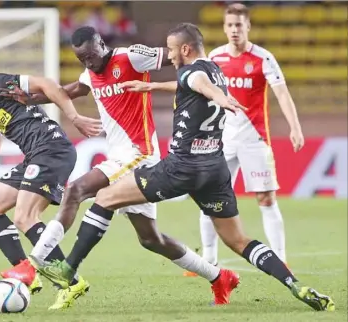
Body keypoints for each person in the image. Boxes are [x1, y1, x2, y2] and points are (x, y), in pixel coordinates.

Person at [34, 23, 335, 311]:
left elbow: (197, 85)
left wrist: (221, 98)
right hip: (214, 170)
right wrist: (151, 86)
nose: (170, 55)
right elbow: (190, 84)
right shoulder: (216, 70)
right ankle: (293, 284)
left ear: (187, 49)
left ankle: (68, 268)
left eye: (172, 50)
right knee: (239, 241)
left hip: (181, 168)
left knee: (104, 198)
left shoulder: (196, 75)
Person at [0, 26, 240, 309]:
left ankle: (33, 265)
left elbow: (178, 57)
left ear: (101, 43)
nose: (88, 62)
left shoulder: (131, 58)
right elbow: (70, 91)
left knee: (76, 190)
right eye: (82, 59)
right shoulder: (89, 73)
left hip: (140, 152)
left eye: (91, 54)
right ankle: (219, 277)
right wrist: (29, 98)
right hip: (122, 155)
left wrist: (206, 73)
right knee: (151, 239)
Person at [0, 59, 101, 306]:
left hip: (51, 149)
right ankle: (27, 274)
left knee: (25, 217)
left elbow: (46, 84)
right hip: (35, 156)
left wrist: (74, 117)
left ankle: (71, 281)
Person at [183, 3, 305, 276]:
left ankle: (281, 259)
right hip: (221, 140)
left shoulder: (263, 58)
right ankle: (209, 260)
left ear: (247, 26)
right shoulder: (215, 58)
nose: (234, 30)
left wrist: (294, 126)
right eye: (230, 25)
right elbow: (201, 94)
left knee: (265, 198)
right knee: (208, 197)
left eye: (239, 25)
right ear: (224, 28)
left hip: (254, 140)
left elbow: (282, 94)